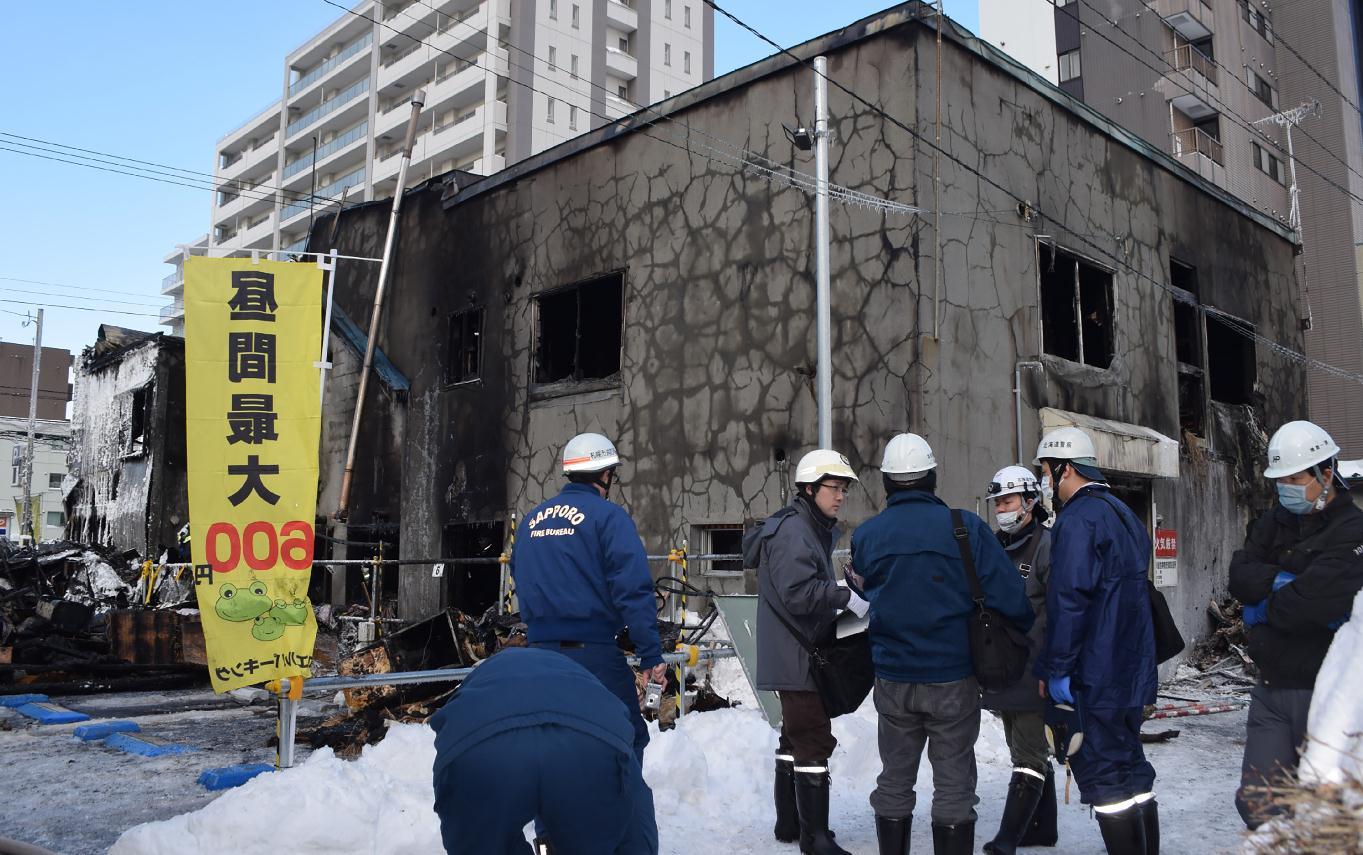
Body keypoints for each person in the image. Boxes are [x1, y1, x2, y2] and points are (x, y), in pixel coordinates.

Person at [851, 434, 1032, 855]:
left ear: (887, 483)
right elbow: (1012, 600)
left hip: (893, 679)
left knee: (894, 779)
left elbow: (854, 608)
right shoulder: (964, 528)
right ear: (933, 477)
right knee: (953, 784)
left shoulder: (868, 536)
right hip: (954, 678)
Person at [1228, 420, 1363, 828]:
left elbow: (1314, 603)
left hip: (1325, 691)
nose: (1285, 488)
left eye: (1295, 478)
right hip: (1271, 686)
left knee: (1324, 814)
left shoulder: (1352, 530)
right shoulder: (1276, 520)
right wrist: (1282, 584)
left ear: (1326, 473)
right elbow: (1239, 574)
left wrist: (1265, 604)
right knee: (1257, 803)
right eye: (1280, 480)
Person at [1034, 426, 1158, 855]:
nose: (1046, 481)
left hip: (1095, 674)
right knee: (1133, 771)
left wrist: (1058, 670)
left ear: (1066, 468)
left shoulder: (1077, 520)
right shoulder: (1123, 513)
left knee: (1106, 778)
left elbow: (1070, 600)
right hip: (1131, 670)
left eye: (1047, 471)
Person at [510, 432, 667, 767]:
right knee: (624, 738)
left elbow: (520, 577)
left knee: (551, 744)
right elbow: (634, 591)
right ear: (606, 474)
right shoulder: (609, 518)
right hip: (592, 654)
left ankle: (553, 819)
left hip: (538, 654)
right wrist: (651, 654)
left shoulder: (531, 522)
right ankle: (614, 815)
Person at [747, 448, 868, 855]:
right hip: (795, 655)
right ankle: (815, 838)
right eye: (834, 488)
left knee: (794, 735)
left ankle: (790, 823)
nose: (840, 497)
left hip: (794, 652)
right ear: (810, 487)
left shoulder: (804, 526)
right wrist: (844, 595)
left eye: (843, 490)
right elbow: (798, 593)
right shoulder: (793, 531)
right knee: (813, 735)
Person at [431, 646, 658, 855]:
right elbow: (635, 814)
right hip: (588, 742)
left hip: (477, 748)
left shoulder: (477, 689)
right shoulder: (585, 687)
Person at [980, 466, 1058, 855]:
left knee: (1028, 751)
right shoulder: (994, 545)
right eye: (997, 503)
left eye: (1008, 502)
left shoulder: (1047, 545)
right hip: (1004, 666)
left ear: (1030, 501)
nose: (1001, 510)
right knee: (1021, 747)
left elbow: (1061, 611)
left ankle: (1008, 838)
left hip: (1035, 666)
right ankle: (1043, 829)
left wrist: (1053, 667)